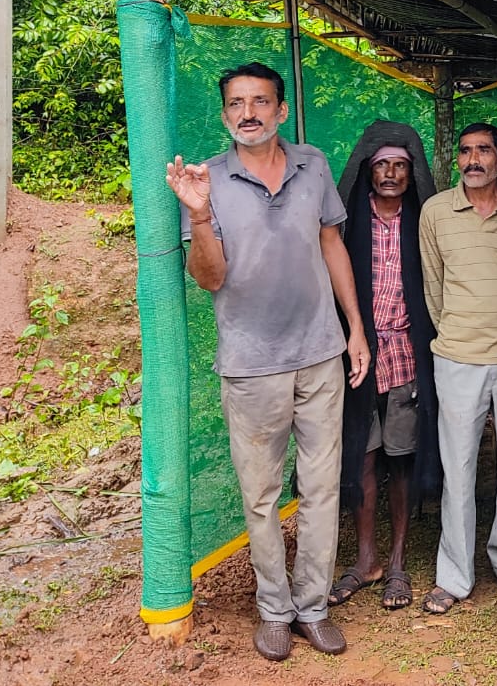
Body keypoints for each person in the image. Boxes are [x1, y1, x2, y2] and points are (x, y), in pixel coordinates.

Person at [165, 61, 365, 663]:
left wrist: (355, 327)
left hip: (322, 353)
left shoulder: (313, 165)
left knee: (323, 487)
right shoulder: (207, 181)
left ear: (281, 110)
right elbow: (209, 277)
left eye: (259, 101)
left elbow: (332, 242)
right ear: (224, 114)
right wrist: (199, 215)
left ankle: (314, 606)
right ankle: (275, 609)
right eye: (235, 104)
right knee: (261, 494)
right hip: (252, 364)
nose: (247, 112)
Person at [329, 122, 440, 612]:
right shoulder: (348, 224)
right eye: (382, 166)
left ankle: (397, 561)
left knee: (402, 457)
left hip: (408, 355)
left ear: (412, 173)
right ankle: (366, 558)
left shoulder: (426, 221)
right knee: (364, 455)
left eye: (400, 165)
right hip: (357, 356)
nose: (391, 174)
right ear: (368, 173)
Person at [418, 122, 497, 615]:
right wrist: (455, 336)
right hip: (457, 356)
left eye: (484, 151)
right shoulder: (436, 211)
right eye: (465, 151)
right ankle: (454, 576)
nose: (473, 159)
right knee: (457, 467)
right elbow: (433, 288)